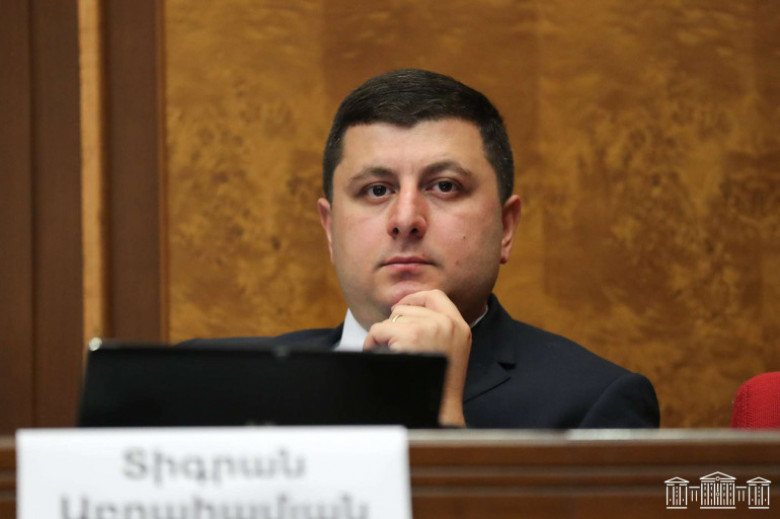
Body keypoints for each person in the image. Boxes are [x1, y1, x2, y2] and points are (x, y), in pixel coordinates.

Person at [187, 69, 660, 428]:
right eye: (376, 190)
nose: (406, 219)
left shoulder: (594, 404)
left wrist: (438, 411)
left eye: (445, 186)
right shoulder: (207, 387)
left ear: (506, 226)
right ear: (330, 229)